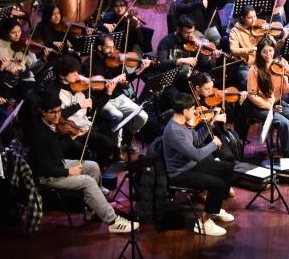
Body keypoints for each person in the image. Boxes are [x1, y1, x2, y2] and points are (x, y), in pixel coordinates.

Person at [29, 90, 138, 234]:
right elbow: (43, 167)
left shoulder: (50, 125)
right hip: (48, 176)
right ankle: (113, 221)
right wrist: (68, 171)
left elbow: (55, 150)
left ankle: (93, 209)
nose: (57, 116)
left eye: (59, 111)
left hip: (57, 164)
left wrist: (71, 139)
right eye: (52, 112)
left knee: (93, 166)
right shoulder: (39, 134)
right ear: (43, 112)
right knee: (88, 181)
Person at [162, 92, 235, 237]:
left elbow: (196, 139)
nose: (196, 111)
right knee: (218, 184)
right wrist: (214, 144)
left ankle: (214, 209)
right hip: (180, 174)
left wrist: (211, 121)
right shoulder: (175, 132)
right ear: (185, 111)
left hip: (191, 165)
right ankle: (203, 222)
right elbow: (196, 154)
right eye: (193, 109)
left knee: (227, 168)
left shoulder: (183, 124)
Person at [246, 37, 289, 158]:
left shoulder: (279, 66)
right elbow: (252, 95)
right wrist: (270, 106)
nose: (268, 55)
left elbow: (285, 89)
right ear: (259, 53)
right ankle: (288, 155)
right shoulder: (254, 70)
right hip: (260, 107)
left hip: (277, 103)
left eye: (270, 51)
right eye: (264, 52)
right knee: (285, 123)